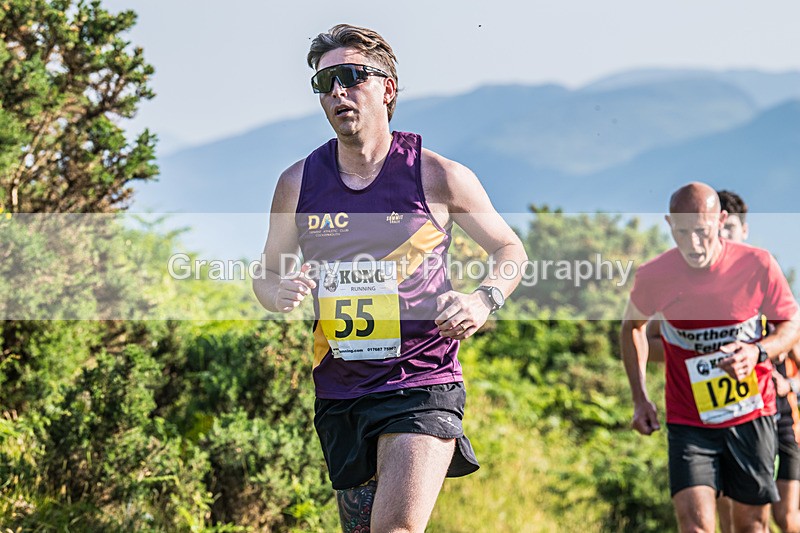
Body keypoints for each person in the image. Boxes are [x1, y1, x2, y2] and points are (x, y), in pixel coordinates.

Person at [252, 24, 528, 533]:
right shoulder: (297, 184)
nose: (337, 91)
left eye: (351, 76)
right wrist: (278, 291)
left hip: (422, 380)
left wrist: (484, 300)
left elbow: (511, 249)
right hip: (341, 389)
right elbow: (266, 273)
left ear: (387, 88)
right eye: (324, 82)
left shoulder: (438, 176)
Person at [620, 182, 800, 533]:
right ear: (669, 223)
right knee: (696, 527)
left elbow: (790, 325)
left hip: (752, 413)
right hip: (690, 421)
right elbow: (632, 328)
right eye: (682, 232)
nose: (693, 244)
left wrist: (757, 351)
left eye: (701, 232)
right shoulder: (654, 275)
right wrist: (640, 399)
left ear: (721, 221)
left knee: (751, 526)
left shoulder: (757, 264)